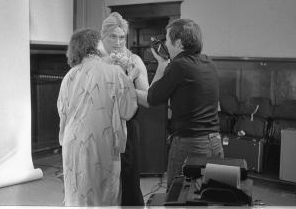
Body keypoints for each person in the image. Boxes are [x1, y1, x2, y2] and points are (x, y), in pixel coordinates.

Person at [139, 18, 224, 189]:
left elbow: (151, 99)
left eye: (167, 39)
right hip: (215, 142)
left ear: (178, 43)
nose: (165, 44)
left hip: (191, 144)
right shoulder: (209, 62)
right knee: (208, 195)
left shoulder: (179, 65)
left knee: (178, 197)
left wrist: (125, 89)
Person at [57, 28, 138, 206]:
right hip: (100, 140)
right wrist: (129, 77)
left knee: (77, 193)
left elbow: (62, 113)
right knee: (103, 194)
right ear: (95, 44)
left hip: (72, 142)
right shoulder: (113, 72)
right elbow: (128, 110)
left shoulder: (69, 76)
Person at [98, 12, 148, 206]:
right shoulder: (94, 61)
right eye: (113, 36)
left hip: (128, 125)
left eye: (122, 37)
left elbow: (147, 99)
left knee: (129, 178)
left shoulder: (134, 59)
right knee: (103, 178)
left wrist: (129, 80)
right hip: (101, 125)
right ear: (103, 36)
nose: (118, 42)